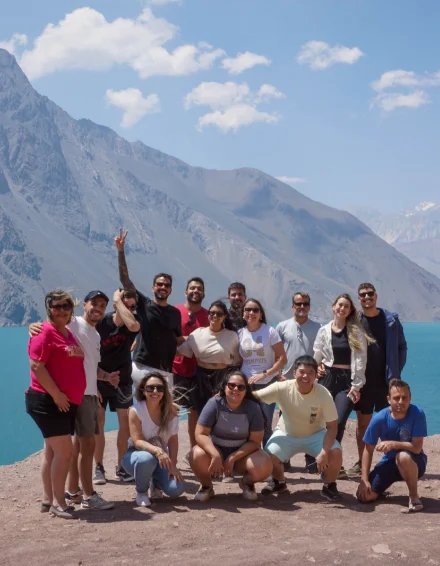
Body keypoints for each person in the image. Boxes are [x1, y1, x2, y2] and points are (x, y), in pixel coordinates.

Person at [29, 291, 118, 510]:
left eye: (102, 305)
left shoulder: (90, 334)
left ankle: (67, 494)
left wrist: (104, 379)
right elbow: (44, 336)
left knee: (67, 448)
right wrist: (33, 325)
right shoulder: (74, 324)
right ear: (84, 305)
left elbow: (86, 366)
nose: (97, 308)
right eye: (93, 303)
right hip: (62, 398)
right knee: (81, 446)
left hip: (82, 395)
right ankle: (87, 495)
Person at [26, 289, 86, 519]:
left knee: (51, 452)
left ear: (72, 308)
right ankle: (59, 504)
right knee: (65, 452)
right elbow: (37, 367)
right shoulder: (44, 332)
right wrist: (58, 395)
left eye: (65, 306)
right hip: (48, 401)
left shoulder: (67, 334)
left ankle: (47, 499)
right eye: (56, 306)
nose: (61, 310)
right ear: (48, 308)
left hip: (64, 402)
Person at [255, 356, 343, 501]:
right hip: (286, 433)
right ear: (294, 372)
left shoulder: (323, 393)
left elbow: (332, 427)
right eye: (302, 371)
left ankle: (329, 486)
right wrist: (227, 394)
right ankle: (279, 482)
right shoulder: (281, 388)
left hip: (316, 435)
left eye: (310, 373)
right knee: (269, 452)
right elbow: (254, 396)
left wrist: (324, 452)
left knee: (336, 452)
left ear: (316, 375)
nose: (305, 376)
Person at [347, 283, 408, 477]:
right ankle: (361, 462)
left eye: (370, 294)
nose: (367, 298)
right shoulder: (354, 321)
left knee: (389, 423)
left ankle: (391, 462)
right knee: (363, 423)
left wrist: (396, 373)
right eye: (362, 295)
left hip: (386, 382)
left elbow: (402, 347)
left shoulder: (391, 320)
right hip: (363, 382)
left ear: (376, 296)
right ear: (359, 299)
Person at [191, 371, 272, 502]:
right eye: (231, 385)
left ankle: (247, 483)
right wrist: (215, 455)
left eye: (241, 387)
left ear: (246, 390)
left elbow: (255, 441)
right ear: (224, 387)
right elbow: (200, 434)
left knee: (264, 464)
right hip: (216, 450)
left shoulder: (253, 408)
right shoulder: (214, 403)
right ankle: (207, 486)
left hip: (242, 455)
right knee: (196, 453)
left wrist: (233, 457)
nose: (236, 389)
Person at [313, 293, 370, 478]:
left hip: (348, 381)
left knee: (338, 421)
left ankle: (332, 461)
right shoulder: (323, 330)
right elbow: (317, 354)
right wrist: (317, 369)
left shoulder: (356, 332)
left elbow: (361, 360)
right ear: (333, 307)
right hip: (327, 378)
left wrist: (357, 386)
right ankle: (327, 464)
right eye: (339, 305)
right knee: (322, 420)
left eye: (346, 306)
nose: (342, 308)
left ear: (350, 310)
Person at [115, 228, 182, 384]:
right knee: (141, 408)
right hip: (142, 366)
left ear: (170, 290)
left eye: (166, 285)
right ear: (153, 288)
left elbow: (178, 339)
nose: (162, 287)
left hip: (165, 370)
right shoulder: (144, 304)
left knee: (165, 409)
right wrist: (120, 252)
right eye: (159, 284)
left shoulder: (175, 313)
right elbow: (125, 280)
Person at [356, 379, 427, 513]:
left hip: (415, 462)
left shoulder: (417, 413)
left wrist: (393, 444)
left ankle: (413, 496)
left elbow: (417, 447)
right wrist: (364, 480)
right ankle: (380, 491)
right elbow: (368, 450)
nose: (401, 401)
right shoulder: (380, 418)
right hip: (389, 463)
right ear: (389, 399)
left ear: (410, 398)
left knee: (403, 456)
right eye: (396, 398)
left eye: (404, 398)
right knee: (364, 496)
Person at [93, 289, 140, 485]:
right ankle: (99, 467)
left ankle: (121, 466)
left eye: (132, 307)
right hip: (99, 379)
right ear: (115, 306)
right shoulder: (101, 323)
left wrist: (121, 304)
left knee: (125, 423)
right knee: (99, 422)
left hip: (122, 380)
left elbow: (132, 324)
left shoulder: (132, 324)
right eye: (125, 306)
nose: (129, 310)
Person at [122, 373, 185, 507]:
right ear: (143, 391)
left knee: (176, 489)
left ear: (164, 391)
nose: (155, 391)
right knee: (146, 459)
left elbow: (173, 440)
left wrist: (173, 465)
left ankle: (156, 483)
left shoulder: (172, 411)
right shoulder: (136, 410)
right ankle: (141, 492)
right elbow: (137, 441)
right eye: (150, 388)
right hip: (135, 455)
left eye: (159, 388)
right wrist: (157, 451)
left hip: (161, 457)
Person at [276, 292, 321, 471]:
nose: (301, 307)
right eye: (298, 304)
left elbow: (323, 352)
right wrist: (278, 373)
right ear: (292, 306)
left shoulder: (318, 328)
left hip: (311, 381)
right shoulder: (282, 326)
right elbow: (276, 352)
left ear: (309, 306)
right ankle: (284, 458)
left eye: (305, 304)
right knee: (285, 420)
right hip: (287, 380)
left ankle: (311, 460)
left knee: (312, 419)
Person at [178, 300, 241, 415]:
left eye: (219, 314)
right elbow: (179, 352)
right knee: (200, 413)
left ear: (224, 317)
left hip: (222, 377)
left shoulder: (232, 336)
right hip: (200, 378)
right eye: (212, 313)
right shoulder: (197, 334)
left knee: (221, 413)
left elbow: (237, 361)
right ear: (208, 315)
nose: (215, 316)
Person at [238, 298, 287, 446]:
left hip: (266, 384)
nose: (251, 313)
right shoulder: (240, 333)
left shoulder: (269, 331)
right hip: (245, 385)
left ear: (260, 313)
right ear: (243, 313)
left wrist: (266, 373)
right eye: (248, 310)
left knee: (265, 424)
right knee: (246, 424)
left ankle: (269, 459)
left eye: (255, 310)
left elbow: (282, 358)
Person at [172, 277, 209, 449]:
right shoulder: (174, 312)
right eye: (192, 288)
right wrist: (192, 340)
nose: (196, 291)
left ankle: (195, 452)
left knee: (195, 413)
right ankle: (169, 456)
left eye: (199, 288)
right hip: (176, 370)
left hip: (199, 372)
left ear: (203, 293)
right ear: (186, 292)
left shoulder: (209, 316)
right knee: (172, 413)